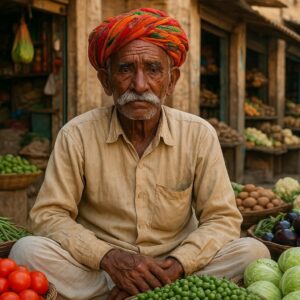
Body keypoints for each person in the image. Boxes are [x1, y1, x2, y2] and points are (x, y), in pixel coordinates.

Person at [9, 7, 270, 300]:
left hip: (175, 267)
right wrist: (108, 257)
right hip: (103, 270)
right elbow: (49, 214)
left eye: (153, 69)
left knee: (253, 251)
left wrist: (178, 265)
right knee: (27, 250)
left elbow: (222, 218)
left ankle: (148, 291)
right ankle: (149, 293)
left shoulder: (198, 134)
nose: (139, 85)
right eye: (125, 69)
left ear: (171, 81)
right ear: (106, 81)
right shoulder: (77, 134)